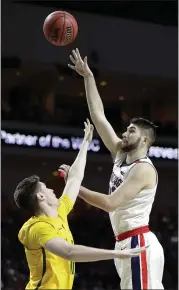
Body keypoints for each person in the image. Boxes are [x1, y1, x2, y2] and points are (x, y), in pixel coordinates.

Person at [66, 49, 164, 289]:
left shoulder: (143, 170)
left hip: (138, 242)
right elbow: (99, 118)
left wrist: (75, 185)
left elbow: (110, 203)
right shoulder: (121, 153)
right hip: (124, 243)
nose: (124, 133)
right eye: (126, 128)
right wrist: (88, 77)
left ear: (144, 140)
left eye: (132, 131)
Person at [15, 120, 147, 290]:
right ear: (40, 196)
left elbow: (75, 179)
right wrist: (116, 254)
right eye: (46, 188)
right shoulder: (37, 228)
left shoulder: (59, 211)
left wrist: (85, 143)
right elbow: (69, 252)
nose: (52, 190)